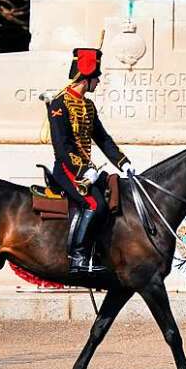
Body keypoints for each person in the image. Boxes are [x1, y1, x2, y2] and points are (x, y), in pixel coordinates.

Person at [46, 48, 130, 274]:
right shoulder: (59, 104)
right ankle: (77, 256)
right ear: (87, 76)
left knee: (115, 197)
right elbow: (62, 146)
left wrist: (124, 163)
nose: (99, 81)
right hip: (66, 169)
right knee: (94, 204)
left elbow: (102, 139)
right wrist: (83, 169)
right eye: (97, 76)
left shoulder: (89, 106)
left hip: (87, 170)